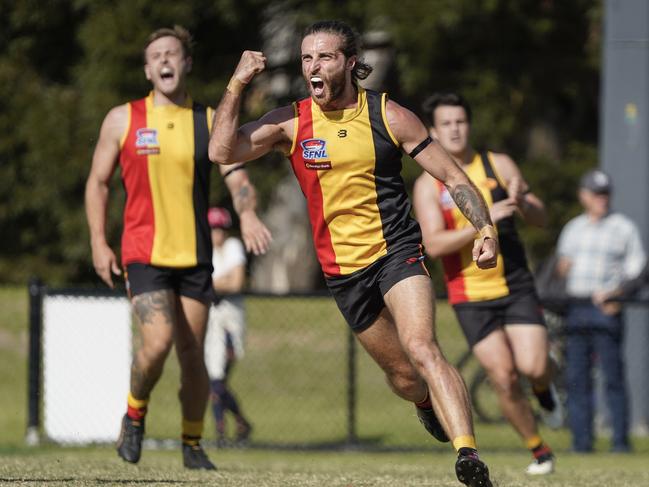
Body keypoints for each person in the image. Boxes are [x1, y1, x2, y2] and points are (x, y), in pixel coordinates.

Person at [208, 19, 499, 487]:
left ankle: (469, 456)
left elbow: (455, 178)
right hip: (343, 272)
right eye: (306, 58)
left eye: (324, 57)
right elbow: (222, 151)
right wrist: (238, 82)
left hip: (397, 251)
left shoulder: (389, 115)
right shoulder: (292, 122)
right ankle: (425, 403)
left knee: (423, 347)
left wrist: (484, 227)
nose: (313, 67)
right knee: (405, 376)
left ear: (350, 62)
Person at [84, 26, 271, 470]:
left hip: (194, 257)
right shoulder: (122, 119)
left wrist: (246, 213)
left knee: (193, 356)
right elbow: (97, 182)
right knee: (157, 342)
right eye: (157, 55)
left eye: (173, 53)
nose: (165, 60)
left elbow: (236, 176)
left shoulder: (207, 120)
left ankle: (192, 444)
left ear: (186, 63)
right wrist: (97, 241)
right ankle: (134, 415)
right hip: (143, 252)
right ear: (148, 70)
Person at [412, 92, 561, 475]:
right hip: (470, 295)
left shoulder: (498, 164)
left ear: (469, 124)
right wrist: (482, 221)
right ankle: (538, 449)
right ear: (433, 131)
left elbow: (542, 218)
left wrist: (525, 202)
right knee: (503, 377)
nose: (455, 129)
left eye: (460, 121)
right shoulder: (430, 184)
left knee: (534, 365)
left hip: (514, 286)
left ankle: (544, 387)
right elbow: (432, 244)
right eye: (446, 124)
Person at [556, 169, 645, 453]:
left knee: (613, 376)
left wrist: (618, 295)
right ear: (584, 196)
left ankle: (620, 442)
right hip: (576, 307)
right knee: (577, 378)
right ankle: (581, 442)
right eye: (596, 194)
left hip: (604, 309)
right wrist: (561, 272)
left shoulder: (623, 228)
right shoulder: (573, 229)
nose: (602, 199)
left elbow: (638, 271)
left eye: (605, 194)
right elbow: (561, 268)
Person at [204, 207, 252, 446]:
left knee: (218, 380)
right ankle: (227, 430)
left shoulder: (233, 246)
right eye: (213, 228)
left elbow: (236, 282)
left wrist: (211, 283)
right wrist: (220, 282)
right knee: (215, 380)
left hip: (230, 322)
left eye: (221, 228)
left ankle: (234, 427)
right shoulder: (205, 250)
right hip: (211, 322)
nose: (217, 233)